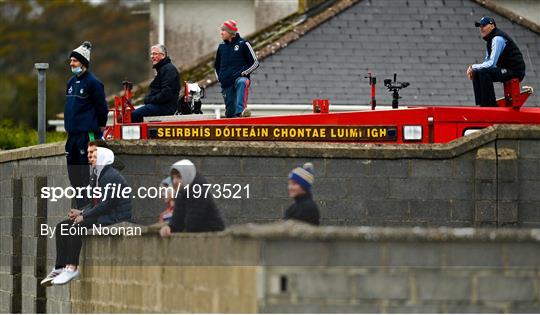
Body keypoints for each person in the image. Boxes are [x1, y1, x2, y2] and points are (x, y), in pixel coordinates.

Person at [41, 147, 132, 286]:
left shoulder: (111, 176)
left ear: (103, 158)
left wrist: (84, 216)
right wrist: (80, 212)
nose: (90, 159)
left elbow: (106, 203)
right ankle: (59, 267)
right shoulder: (98, 175)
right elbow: (95, 202)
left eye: (94, 156)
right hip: (104, 213)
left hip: (115, 217)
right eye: (90, 155)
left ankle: (72, 267)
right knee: (62, 227)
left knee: (77, 227)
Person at [64, 41, 108, 208]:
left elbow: (101, 107)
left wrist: (101, 126)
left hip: (87, 135)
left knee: (85, 173)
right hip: (72, 136)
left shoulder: (93, 83)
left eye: (74, 61)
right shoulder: (70, 82)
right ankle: (80, 204)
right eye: (71, 61)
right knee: (73, 173)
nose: (71, 63)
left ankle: (88, 206)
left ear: (82, 62)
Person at [466, 16, 526, 107]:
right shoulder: (490, 40)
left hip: (515, 71)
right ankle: (482, 104)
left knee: (483, 72)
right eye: (480, 26)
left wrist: (472, 67)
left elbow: (491, 64)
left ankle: (490, 105)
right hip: (506, 69)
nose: (481, 29)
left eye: (483, 26)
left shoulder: (497, 39)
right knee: (478, 72)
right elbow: (487, 63)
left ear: (492, 26)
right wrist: (474, 69)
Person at [160, 160, 225, 236]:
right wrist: (169, 228)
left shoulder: (199, 191)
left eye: (179, 177)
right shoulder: (181, 192)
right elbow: (177, 222)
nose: (174, 181)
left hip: (213, 237)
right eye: (173, 177)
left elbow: (193, 223)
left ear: (187, 175)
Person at [214, 19, 259, 118]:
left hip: (240, 78)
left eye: (223, 30)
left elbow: (255, 63)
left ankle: (241, 111)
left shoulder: (244, 44)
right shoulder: (221, 47)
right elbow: (216, 66)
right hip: (226, 83)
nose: (221, 33)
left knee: (242, 82)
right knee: (230, 114)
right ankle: (236, 115)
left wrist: (244, 73)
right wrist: (220, 78)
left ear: (230, 33)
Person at [131, 44, 180, 122]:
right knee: (134, 114)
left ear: (163, 55)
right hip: (161, 105)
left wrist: (149, 100)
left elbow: (166, 93)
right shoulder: (163, 69)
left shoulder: (168, 70)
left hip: (165, 107)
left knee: (132, 116)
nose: (152, 56)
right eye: (151, 54)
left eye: (155, 54)